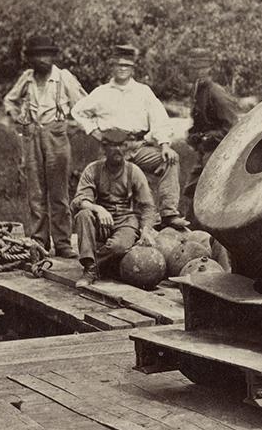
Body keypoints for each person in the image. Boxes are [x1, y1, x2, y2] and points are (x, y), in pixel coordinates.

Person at [72, 44, 190, 230]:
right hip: (111, 149)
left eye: (126, 65)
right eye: (118, 64)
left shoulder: (143, 92)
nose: (122, 68)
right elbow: (77, 111)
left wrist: (165, 145)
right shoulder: (101, 92)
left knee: (170, 161)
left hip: (137, 146)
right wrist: (94, 131)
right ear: (111, 66)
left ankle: (168, 213)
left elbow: (159, 117)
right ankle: (108, 223)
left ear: (133, 68)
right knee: (104, 182)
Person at [2, 35, 87, 258]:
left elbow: (84, 106)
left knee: (59, 192)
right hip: (31, 136)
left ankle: (63, 243)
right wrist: (17, 116)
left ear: (53, 56)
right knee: (36, 193)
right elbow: (9, 100)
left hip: (56, 136)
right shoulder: (27, 78)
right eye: (37, 55)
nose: (43, 59)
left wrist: (72, 126)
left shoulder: (63, 78)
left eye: (47, 54)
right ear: (30, 59)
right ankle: (39, 241)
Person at [71, 130, 159, 288]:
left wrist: (145, 230)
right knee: (83, 215)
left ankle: (95, 264)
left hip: (126, 220)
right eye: (113, 146)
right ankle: (90, 270)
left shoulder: (134, 171)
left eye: (121, 145)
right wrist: (97, 208)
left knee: (119, 247)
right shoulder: (94, 169)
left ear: (126, 147)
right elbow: (78, 200)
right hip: (101, 220)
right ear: (104, 149)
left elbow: (148, 207)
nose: (118, 150)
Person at [183, 47, 241, 214]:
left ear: (209, 69)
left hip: (219, 151)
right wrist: (193, 136)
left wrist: (207, 138)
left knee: (208, 190)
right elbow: (200, 121)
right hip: (205, 149)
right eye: (194, 68)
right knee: (192, 190)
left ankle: (206, 227)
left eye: (201, 68)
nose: (197, 72)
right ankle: (192, 226)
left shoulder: (217, 94)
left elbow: (232, 129)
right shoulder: (197, 90)